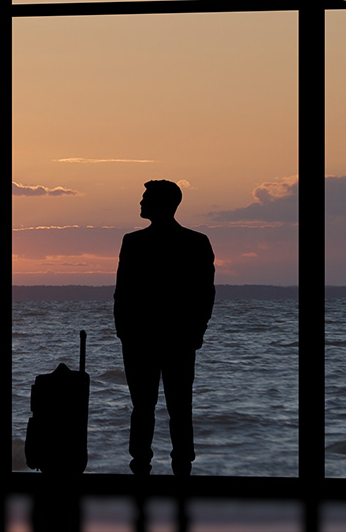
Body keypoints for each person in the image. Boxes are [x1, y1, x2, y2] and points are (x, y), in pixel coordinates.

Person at [114, 179, 215, 476]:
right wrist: (124, 331)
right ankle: (167, 465)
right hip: (160, 338)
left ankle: (155, 465)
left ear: (162, 203)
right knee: (171, 406)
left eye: (145, 198)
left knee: (158, 407)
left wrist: (196, 331)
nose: (141, 203)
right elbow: (124, 293)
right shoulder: (193, 242)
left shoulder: (138, 243)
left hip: (158, 338)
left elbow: (203, 293)